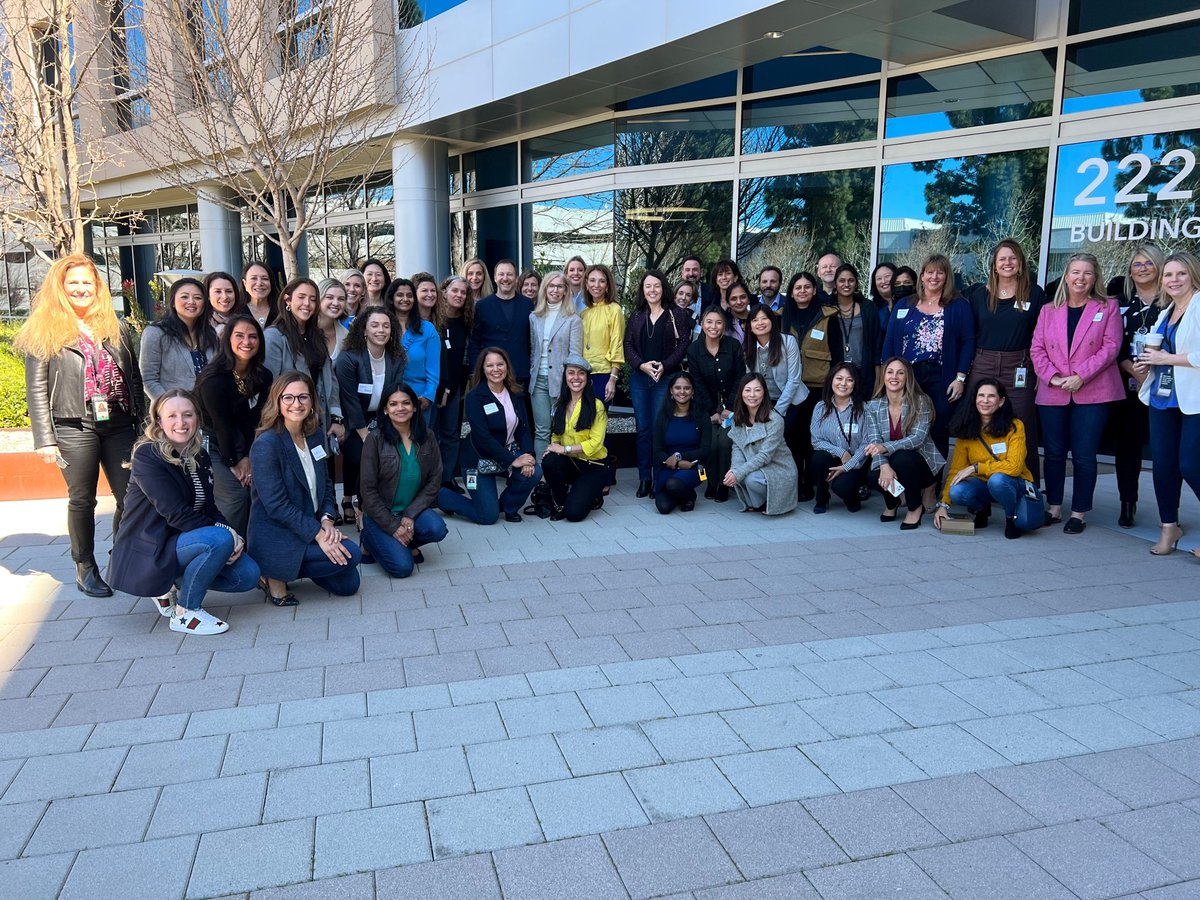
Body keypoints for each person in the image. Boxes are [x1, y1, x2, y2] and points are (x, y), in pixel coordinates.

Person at [18, 254, 145, 597]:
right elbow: (37, 387)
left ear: (98, 287)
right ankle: (85, 566)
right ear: (60, 287)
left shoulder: (113, 326)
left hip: (118, 422)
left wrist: (142, 423)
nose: (81, 289)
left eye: (87, 283)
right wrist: (45, 439)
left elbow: (133, 377)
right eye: (73, 282)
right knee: (82, 499)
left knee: (132, 494)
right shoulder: (44, 327)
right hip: (73, 424)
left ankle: (121, 555)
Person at [108, 389, 260, 634]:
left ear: (197, 419)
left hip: (183, 543)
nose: (181, 422)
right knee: (218, 539)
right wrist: (225, 537)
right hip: (152, 547)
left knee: (248, 575)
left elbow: (210, 509)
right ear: (159, 421)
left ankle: (171, 585)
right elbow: (175, 514)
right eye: (172, 416)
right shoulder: (148, 455)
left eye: (188, 415)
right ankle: (186, 612)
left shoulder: (199, 454)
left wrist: (233, 533)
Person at [248, 372, 362, 605]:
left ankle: (287, 569)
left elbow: (327, 484)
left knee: (349, 584)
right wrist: (320, 535)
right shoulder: (266, 445)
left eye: (303, 397)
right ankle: (271, 574)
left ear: (312, 402)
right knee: (354, 554)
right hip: (279, 533)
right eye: (288, 398)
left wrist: (328, 521)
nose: (296, 404)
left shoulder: (315, 435)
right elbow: (277, 506)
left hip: (310, 526)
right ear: (277, 402)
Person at [1030, 252, 1123, 534]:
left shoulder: (1107, 307)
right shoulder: (1048, 310)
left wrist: (1080, 376)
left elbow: (1111, 347)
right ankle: (1055, 507)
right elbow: (1037, 349)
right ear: (1066, 276)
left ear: (1095, 278)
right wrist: (1054, 377)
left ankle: (1080, 512)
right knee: (1055, 453)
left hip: (1093, 390)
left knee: (1083, 454)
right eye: (1075, 272)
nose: (1080, 278)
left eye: (1087, 273)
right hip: (1054, 390)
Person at [967, 240, 1048, 484]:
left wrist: (1040, 372)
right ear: (994, 264)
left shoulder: (1035, 293)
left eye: (1012, 258)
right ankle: (981, 487)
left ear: (1021, 263)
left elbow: (1041, 335)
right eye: (1002, 259)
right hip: (983, 364)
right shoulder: (979, 294)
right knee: (981, 423)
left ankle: (1029, 487)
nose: (1007, 263)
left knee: (1022, 425)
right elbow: (970, 333)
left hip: (1020, 367)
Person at [1135, 251, 1200, 557]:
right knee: (1163, 466)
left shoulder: (1199, 305)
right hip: (1162, 399)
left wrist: (1166, 358)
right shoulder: (1166, 311)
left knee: (1191, 464)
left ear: (1192, 276)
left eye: (1181, 274)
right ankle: (1168, 527)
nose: (1174, 280)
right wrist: (1148, 363)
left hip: (1194, 400)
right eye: (1169, 275)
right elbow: (1156, 350)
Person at [882, 254, 974, 458]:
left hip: (941, 376)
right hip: (908, 375)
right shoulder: (904, 304)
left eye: (940, 272)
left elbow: (969, 342)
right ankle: (908, 480)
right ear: (922, 276)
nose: (934, 276)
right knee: (906, 424)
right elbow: (890, 340)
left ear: (947, 276)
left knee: (937, 426)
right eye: (930, 272)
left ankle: (933, 485)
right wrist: (887, 376)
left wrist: (960, 378)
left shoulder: (959, 305)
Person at [438, 347, 541, 524]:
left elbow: (523, 429)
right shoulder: (474, 397)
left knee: (535, 472)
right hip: (475, 463)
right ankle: (442, 497)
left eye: (500, 364)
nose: (496, 369)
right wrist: (512, 460)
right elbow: (483, 438)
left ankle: (508, 507)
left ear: (507, 367)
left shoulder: (516, 393)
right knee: (487, 517)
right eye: (490, 365)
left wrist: (528, 455)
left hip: (505, 454)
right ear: (483, 369)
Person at [194, 314, 274, 536]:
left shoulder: (263, 376)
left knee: (260, 488)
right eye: (239, 336)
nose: (246, 342)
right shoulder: (213, 379)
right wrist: (235, 462)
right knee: (236, 495)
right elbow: (222, 424)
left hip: (244, 442)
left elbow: (256, 419)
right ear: (228, 340)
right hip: (209, 443)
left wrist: (248, 457)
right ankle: (225, 547)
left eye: (253, 336)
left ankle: (253, 548)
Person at [358, 383, 448, 577]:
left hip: (410, 511)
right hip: (381, 515)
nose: (400, 408)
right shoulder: (375, 440)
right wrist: (393, 526)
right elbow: (368, 491)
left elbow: (435, 479)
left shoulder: (427, 436)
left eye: (406, 403)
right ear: (385, 409)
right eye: (393, 404)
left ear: (415, 407)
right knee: (402, 568)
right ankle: (369, 539)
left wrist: (409, 514)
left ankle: (405, 540)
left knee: (437, 529)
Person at [934, 378, 1039, 539]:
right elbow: (956, 470)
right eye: (980, 395)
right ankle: (981, 509)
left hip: (1013, 484)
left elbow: (1015, 467)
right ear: (974, 399)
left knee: (997, 480)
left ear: (1001, 401)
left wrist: (976, 468)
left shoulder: (1015, 426)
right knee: (957, 491)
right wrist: (944, 505)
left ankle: (1011, 518)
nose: (985, 400)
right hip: (984, 483)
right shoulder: (967, 428)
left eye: (991, 396)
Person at [335, 307, 407, 526]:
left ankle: (362, 503)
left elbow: (395, 395)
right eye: (374, 325)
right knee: (361, 454)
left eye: (386, 326)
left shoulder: (397, 358)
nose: (381, 330)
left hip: (381, 418)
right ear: (364, 330)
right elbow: (350, 401)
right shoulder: (348, 358)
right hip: (353, 420)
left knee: (381, 456)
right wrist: (366, 435)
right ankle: (358, 505)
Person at [624, 269, 692, 498]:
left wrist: (664, 365)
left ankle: (658, 477)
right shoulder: (636, 315)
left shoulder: (677, 314)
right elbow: (628, 346)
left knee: (658, 429)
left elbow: (683, 346)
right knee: (643, 430)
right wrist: (641, 365)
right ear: (642, 290)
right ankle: (644, 478)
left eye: (656, 286)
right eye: (647, 286)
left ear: (663, 288)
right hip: (640, 379)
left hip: (665, 379)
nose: (652, 290)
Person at [1114, 243, 1166, 528]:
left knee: (1165, 451)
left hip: (1166, 388)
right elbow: (1117, 349)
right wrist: (1134, 372)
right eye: (1137, 264)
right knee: (1128, 448)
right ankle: (1127, 503)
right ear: (1130, 271)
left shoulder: (1173, 305)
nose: (1143, 268)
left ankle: (1168, 511)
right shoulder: (1122, 306)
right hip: (1131, 386)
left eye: (1148, 263)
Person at [862, 357, 945, 529]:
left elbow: (917, 438)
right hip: (893, 462)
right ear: (883, 376)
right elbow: (875, 440)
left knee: (902, 458)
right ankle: (893, 504)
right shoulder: (873, 406)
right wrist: (884, 466)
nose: (895, 377)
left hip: (922, 465)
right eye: (890, 372)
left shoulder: (920, 401)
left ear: (908, 377)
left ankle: (915, 508)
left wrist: (885, 448)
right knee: (872, 475)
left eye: (901, 373)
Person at [263, 278, 344, 445]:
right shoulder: (274, 337)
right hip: (287, 428)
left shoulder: (317, 336)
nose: (307, 303)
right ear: (287, 300)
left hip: (320, 425)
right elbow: (267, 387)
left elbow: (331, 381)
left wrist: (336, 418)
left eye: (313, 299)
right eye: (301, 297)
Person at [781, 271, 837, 501]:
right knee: (792, 436)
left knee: (813, 437)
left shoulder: (828, 316)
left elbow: (836, 352)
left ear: (815, 290)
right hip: (791, 386)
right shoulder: (781, 315)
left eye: (807, 287)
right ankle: (796, 483)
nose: (802, 291)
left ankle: (812, 483)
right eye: (797, 287)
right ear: (791, 293)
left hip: (817, 386)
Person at [744, 305, 806, 496]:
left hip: (792, 400)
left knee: (790, 442)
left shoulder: (788, 342)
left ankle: (798, 486)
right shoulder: (747, 347)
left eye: (764, 318)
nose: (760, 323)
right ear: (750, 326)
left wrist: (778, 411)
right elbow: (750, 380)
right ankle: (771, 484)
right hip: (765, 402)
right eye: (755, 320)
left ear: (772, 321)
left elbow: (794, 379)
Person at [687, 306, 746, 502]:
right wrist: (712, 411)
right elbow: (697, 382)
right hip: (706, 407)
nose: (713, 326)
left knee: (726, 441)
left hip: (732, 406)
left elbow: (739, 378)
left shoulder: (733, 346)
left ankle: (724, 484)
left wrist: (728, 408)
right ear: (702, 324)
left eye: (718, 322)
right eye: (709, 322)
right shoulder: (694, 349)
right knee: (711, 442)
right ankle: (711, 482)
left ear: (724, 326)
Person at [542, 357, 609, 521]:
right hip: (571, 463)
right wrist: (553, 447)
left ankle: (593, 494)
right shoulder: (559, 405)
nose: (576, 378)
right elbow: (556, 435)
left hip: (593, 466)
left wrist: (564, 449)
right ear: (565, 377)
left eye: (581, 373)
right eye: (571, 373)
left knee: (574, 515)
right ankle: (560, 501)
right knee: (549, 461)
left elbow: (595, 443)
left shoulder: (596, 406)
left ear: (587, 378)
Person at [723, 373, 796, 515]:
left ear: (764, 393)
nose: (752, 395)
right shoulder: (738, 418)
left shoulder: (775, 420)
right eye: (747, 390)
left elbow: (765, 456)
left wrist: (739, 472)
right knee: (737, 475)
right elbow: (737, 447)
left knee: (750, 479)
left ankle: (769, 502)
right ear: (741, 393)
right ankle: (758, 502)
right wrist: (735, 469)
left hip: (778, 468)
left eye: (757, 390)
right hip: (755, 467)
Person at [580, 263, 624, 488]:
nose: (596, 285)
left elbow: (617, 345)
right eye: (592, 280)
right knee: (584, 425)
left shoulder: (614, 310)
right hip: (581, 376)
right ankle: (586, 472)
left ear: (608, 286)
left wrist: (613, 379)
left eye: (601, 281)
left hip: (602, 375)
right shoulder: (584, 312)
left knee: (599, 426)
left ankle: (604, 477)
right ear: (586, 284)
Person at [529, 270, 583, 457]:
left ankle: (559, 474)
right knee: (542, 430)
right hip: (538, 382)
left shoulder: (573, 320)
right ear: (544, 289)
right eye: (551, 285)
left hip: (560, 382)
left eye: (559, 286)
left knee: (561, 430)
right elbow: (534, 350)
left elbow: (575, 356)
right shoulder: (534, 317)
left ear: (566, 290)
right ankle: (541, 477)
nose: (555, 290)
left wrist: (570, 384)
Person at [139, 277, 217, 398]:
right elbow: (148, 379)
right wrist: (169, 405)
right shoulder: (156, 333)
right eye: (184, 297)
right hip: (174, 411)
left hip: (209, 410)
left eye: (197, 298)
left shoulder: (210, 334)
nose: (191, 301)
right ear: (173, 302)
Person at [809, 363, 869, 514]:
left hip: (855, 461)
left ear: (855, 384)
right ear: (831, 381)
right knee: (818, 458)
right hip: (832, 458)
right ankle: (822, 497)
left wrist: (847, 465)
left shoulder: (864, 409)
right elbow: (816, 441)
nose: (843, 384)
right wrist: (841, 452)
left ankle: (852, 497)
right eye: (839, 378)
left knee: (842, 487)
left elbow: (867, 443)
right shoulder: (820, 407)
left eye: (849, 380)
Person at [468, 260, 534, 387]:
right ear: (495, 278)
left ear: (516, 278)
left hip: (520, 374)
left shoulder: (527, 304)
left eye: (509, 274)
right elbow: (475, 342)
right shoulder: (483, 306)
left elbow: (531, 340)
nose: (505, 278)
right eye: (501, 274)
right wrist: (476, 372)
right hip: (492, 375)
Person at [652, 371, 710, 514]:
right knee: (663, 508)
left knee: (673, 484)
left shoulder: (702, 415)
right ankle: (680, 494)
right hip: (669, 467)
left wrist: (680, 456)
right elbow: (657, 450)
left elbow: (705, 450)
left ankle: (690, 496)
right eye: (678, 388)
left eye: (687, 388)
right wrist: (676, 462)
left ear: (692, 391)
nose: (682, 392)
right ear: (671, 391)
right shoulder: (663, 416)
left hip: (694, 467)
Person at [435, 275, 473, 491]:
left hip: (455, 387)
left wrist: (451, 387)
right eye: (455, 290)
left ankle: (447, 479)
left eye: (463, 292)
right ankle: (430, 483)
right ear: (445, 292)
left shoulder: (467, 322)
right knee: (430, 435)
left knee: (451, 434)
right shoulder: (433, 319)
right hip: (433, 385)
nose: (459, 295)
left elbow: (465, 359)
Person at [828, 263, 884, 403]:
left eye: (851, 280)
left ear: (856, 283)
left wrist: (878, 379)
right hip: (836, 374)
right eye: (841, 280)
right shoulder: (826, 308)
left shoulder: (868, 308)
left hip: (863, 372)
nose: (846, 284)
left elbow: (876, 345)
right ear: (835, 283)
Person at [387, 277, 440, 420]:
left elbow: (433, 369)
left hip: (420, 399)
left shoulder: (428, 329)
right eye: (400, 295)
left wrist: (428, 396)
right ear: (391, 299)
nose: (405, 299)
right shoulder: (383, 327)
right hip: (389, 399)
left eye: (409, 295)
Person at [315, 278, 347, 363]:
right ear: (318, 298)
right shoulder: (303, 330)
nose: (336, 303)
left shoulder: (346, 336)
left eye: (341, 299)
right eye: (329, 297)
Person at [205, 271, 243, 337]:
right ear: (207, 295)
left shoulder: (244, 320)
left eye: (229, 291)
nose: (224, 297)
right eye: (218, 291)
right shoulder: (200, 323)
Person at [241, 261, 276, 327]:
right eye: (253, 278)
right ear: (244, 283)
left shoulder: (282, 311)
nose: (259, 283)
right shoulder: (237, 312)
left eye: (265, 279)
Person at [869, 262, 898, 328]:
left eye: (887, 276)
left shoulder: (906, 302)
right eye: (879, 278)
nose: (883, 281)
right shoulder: (871, 308)